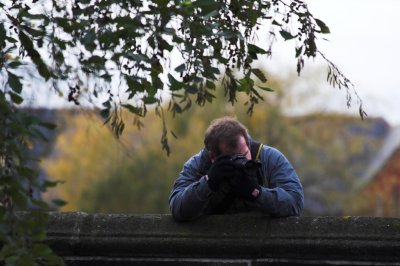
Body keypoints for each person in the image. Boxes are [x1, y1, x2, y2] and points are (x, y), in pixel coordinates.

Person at [169, 116, 304, 221]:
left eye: (245, 154)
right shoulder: (198, 165)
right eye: (234, 158)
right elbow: (178, 208)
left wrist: (256, 193)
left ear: (247, 142)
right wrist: (208, 183)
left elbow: (295, 204)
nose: (242, 161)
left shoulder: (269, 158)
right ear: (213, 158)